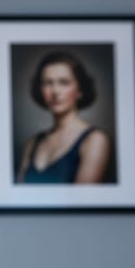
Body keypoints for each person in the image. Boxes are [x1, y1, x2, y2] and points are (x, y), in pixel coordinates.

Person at [16, 51, 111, 184]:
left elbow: (83, 201)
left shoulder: (95, 140)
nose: (55, 91)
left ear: (80, 90)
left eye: (64, 82)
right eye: (48, 83)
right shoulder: (32, 144)